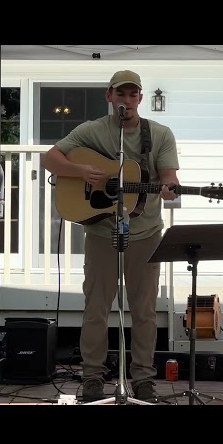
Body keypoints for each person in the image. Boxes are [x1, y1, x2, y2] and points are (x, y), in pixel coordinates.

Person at [41, 70, 180, 402]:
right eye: (121, 95)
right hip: (102, 231)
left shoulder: (159, 134)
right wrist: (82, 171)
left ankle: (143, 380)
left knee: (144, 309)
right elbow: (50, 158)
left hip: (145, 232)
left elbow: (169, 177)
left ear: (141, 100)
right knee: (97, 307)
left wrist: (170, 188)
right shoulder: (91, 131)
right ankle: (92, 379)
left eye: (133, 95)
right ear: (109, 97)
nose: (127, 101)